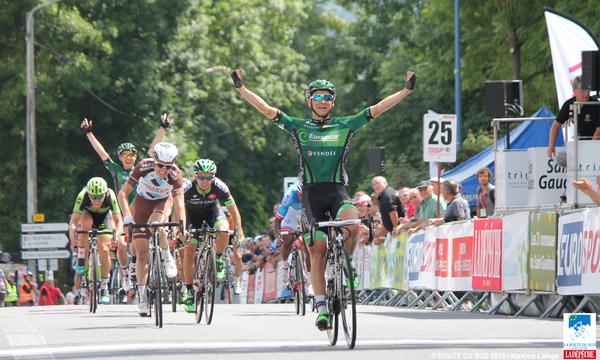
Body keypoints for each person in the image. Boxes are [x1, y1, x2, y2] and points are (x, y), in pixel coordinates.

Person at [231, 66, 416, 330]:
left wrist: (406, 91)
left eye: (327, 97)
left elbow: (378, 108)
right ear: (309, 101)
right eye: (317, 97)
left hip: (337, 191)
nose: (322, 101)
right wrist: (241, 88)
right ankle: (320, 306)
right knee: (317, 249)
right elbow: (268, 110)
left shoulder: (345, 125)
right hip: (311, 195)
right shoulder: (298, 126)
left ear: (333, 101)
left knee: (353, 225)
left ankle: (345, 265)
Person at [81, 114, 173, 294]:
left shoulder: (143, 168)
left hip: (146, 209)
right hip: (125, 212)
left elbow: (153, 150)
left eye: (132, 155)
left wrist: (162, 127)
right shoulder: (115, 170)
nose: (129, 158)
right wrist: (89, 133)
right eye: (125, 155)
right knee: (125, 246)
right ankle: (127, 270)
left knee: (161, 232)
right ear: (120, 157)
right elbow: (102, 154)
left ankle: (162, 266)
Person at [118, 142, 186, 316]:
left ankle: (166, 255)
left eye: (168, 167)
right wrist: (127, 216)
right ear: (154, 161)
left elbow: (179, 203)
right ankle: (142, 296)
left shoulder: (176, 175)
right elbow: (123, 194)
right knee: (141, 254)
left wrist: (181, 224)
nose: (164, 170)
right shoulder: (143, 167)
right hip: (142, 202)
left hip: (163, 201)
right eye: (160, 166)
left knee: (156, 225)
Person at [181, 159, 245, 312]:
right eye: (201, 177)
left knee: (223, 231)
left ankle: (218, 258)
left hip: (212, 213)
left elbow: (234, 210)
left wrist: (239, 231)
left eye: (209, 177)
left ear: (213, 177)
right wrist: (180, 228)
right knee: (190, 249)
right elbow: (177, 209)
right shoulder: (187, 187)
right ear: (195, 176)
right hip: (191, 217)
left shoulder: (220, 186)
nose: (205, 181)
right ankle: (188, 289)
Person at [69, 177, 126, 305]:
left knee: (104, 249)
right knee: (84, 224)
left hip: (104, 218)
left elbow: (118, 221)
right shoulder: (82, 195)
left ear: (105, 193)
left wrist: (116, 236)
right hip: (87, 216)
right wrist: (74, 239)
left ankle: (104, 286)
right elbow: (73, 222)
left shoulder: (110, 195)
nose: (96, 200)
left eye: (99, 197)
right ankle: (82, 256)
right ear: (88, 194)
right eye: (93, 197)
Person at [274, 183, 313, 299]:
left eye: (304, 195)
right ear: (298, 192)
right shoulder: (290, 195)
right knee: (288, 240)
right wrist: (278, 237)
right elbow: (277, 220)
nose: (302, 197)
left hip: (304, 215)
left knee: (308, 246)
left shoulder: (311, 195)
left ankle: (310, 282)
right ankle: (285, 267)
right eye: (300, 195)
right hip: (290, 215)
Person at [547, 76, 600, 158]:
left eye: (588, 91)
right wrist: (551, 145)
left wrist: (591, 148)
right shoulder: (569, 104)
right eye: (583, 91)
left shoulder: (595, 105)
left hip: (596, 145)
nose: (586, 94)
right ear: (575, 91)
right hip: (581, 145)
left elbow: (599, 129)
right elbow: (556, 125)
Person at [371, 176, 404, 245]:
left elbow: (393, 213)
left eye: (377, 183)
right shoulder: (382, 195)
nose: (375, 186)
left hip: (399, 230)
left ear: (385, 183)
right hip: (393, 231)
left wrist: (395, 227)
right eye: (373, 184)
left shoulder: (387, 195)